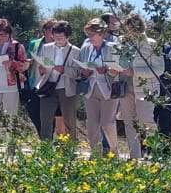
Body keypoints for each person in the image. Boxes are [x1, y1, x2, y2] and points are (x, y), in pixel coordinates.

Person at [115, 14, 162, 159]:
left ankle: (156, 153)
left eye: (132, 28)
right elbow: (117, 61)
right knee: (129, 122)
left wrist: (135, 72)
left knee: (146, 120)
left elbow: (159, 69)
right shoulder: (121, 43)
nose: (129, 31)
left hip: (146, 88)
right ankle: (134, 156)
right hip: (125, 86)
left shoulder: (152, 43)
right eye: (127, 28)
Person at [77, 20, 126, 157]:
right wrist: (84, 71)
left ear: (102, 34)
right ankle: (95, 154)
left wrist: (107, 69)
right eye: (88, 34)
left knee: (107, 123)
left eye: (93, 34)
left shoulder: (113, 47)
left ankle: (114, 152)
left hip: (109, 90)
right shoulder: (86, 48)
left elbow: (119, 69)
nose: (90, 37)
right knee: (92, 124)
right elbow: (81, 68)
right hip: (90, 89)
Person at [33, 21, 79, 142]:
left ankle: (70, 150)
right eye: (56, 37)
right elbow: (42, 67)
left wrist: (64, 70)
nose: (58, 40)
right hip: (48, 87)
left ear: (67, 36)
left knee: (69, 121)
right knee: (45, 120)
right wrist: (42, 69)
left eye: (61, 37)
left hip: (67, 88)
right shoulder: (46, 47)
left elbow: (77, 73)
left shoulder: (75, 51)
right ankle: (46, 149)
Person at [0, 18, 30, 124]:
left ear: (9, 34)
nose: (1, 37)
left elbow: (25, 65)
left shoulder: (17, 46)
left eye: (4, 35)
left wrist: (12, 63)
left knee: (11, 117)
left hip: (11, 87)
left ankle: (11, 138)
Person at [23, 18, 57, 134]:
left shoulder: (59, 45)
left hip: (52, 85)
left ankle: (48, 140)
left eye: (55, 28)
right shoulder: (35, 43)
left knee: (49, 116)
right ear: (44, 30)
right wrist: (29, 61)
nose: (52, 31)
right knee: (33, 110)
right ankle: (44, 138)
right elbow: (27, 60)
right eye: (49, 28)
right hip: (36, 83)